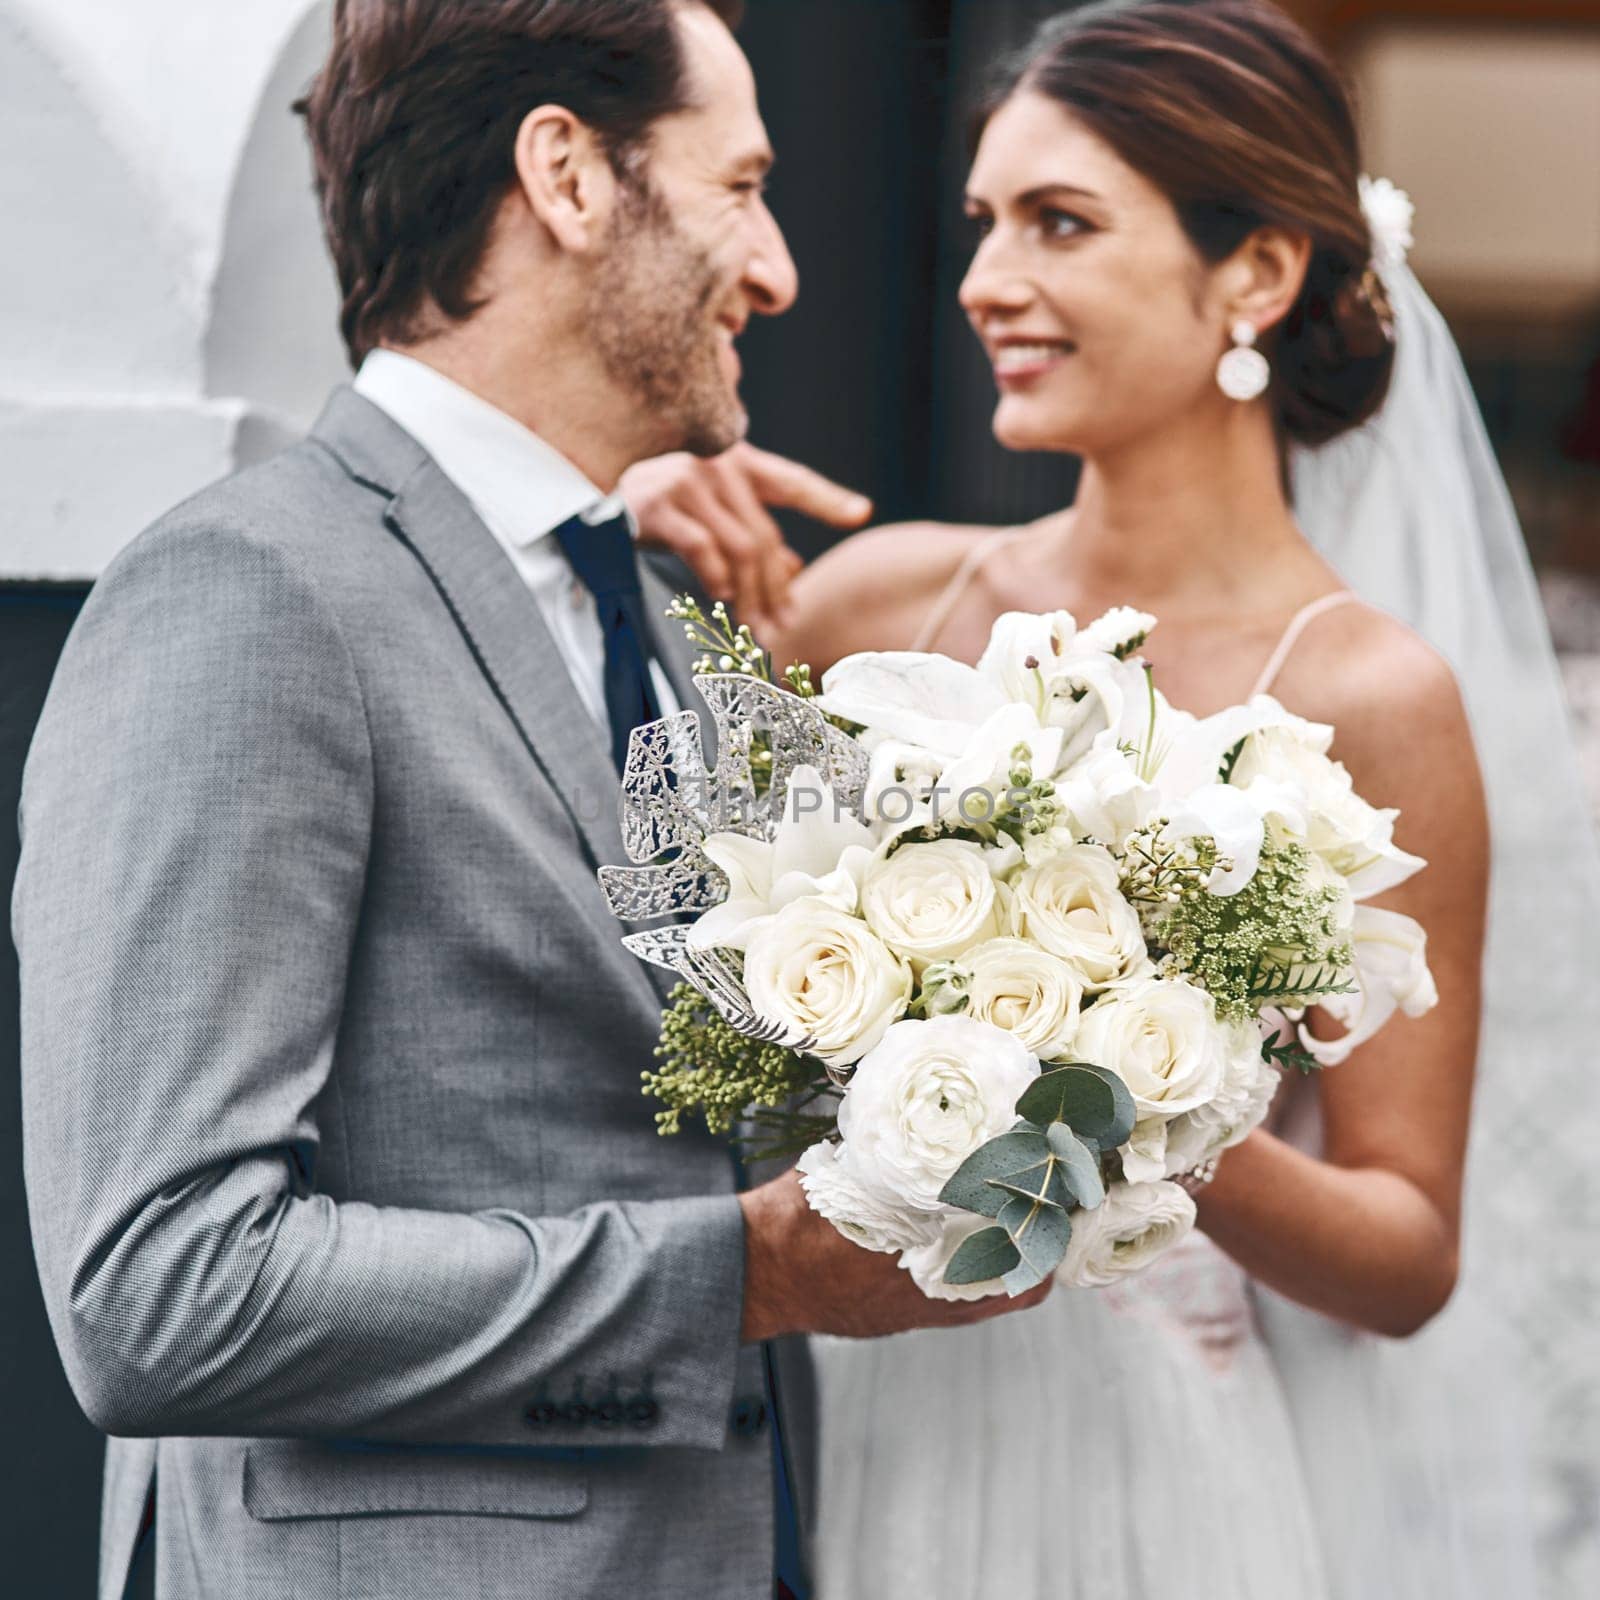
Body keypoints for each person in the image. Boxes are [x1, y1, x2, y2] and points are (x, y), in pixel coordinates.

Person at [11, 5, 1050, 1599]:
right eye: (741, 185)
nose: (776, 270)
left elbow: (668, 1104)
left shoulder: (665, 623)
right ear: (567, 177)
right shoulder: (248, 597)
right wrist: (747, 1274)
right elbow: (163, 1288)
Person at [630, 1, 1596, 1594]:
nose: (985, 282)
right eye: (983, 224)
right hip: (833, 1413)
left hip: (1145, 1477)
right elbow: (658, 881)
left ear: (1258, 275)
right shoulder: (877, 607)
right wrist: (635, 529)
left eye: (1059, 224)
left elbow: (1408, 1253)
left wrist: (1133, 1094)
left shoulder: (1372, 696)